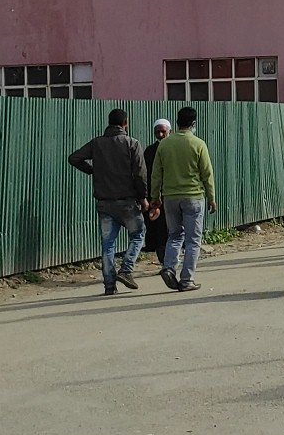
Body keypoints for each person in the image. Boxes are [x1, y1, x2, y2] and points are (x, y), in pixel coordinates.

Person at [68, 108, 150, 296]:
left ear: (109, 122)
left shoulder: (97, 143)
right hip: (127, 202)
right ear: (125, 123)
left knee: (108, 244)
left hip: (104, 203)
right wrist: (143, 197)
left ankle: (109, 285)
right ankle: (126, 270)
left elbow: (74, 158)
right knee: (138, 234)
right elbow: (140, 174)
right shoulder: (132, 143)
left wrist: (92, 170)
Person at [151, 105, 217, 292]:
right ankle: (187, 279)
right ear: (193, 123)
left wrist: (155, 197)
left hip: (170, 197)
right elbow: (207, 174)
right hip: (193, 196)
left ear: (177, 122)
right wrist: (211, 197)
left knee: (174, 235)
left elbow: (156, 174)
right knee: (193, 240)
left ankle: (169, 267)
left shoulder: (164, 145)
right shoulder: (198, 144)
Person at [142, 118, 171, 253]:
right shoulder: (150, 151)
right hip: (154, 193)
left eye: (163, 132)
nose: (160, 135)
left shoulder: (173, 149)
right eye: (157, 132)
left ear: (170, 131)